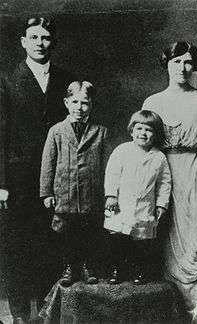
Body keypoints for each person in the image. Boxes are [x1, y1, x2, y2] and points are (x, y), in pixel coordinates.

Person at [0, 17, 73, 324]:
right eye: (34, 37)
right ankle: (19, 314)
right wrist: (1, 182)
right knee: (17, 245)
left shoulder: (65, 80)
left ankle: (46, 313)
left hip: (56, 176)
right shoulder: (6, 81)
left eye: (45, 37)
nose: (40, 43)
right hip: (18, 180)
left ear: (52, 42)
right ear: (23, 42)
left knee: (50, 243)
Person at [142, 41, 197, 323]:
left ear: (195, 66)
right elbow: (144, 148)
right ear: (166, 64)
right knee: (168, 244)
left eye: (188, 62)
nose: (182, 68)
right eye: (176, 62)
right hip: (164, 175)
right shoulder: (153, 102)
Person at [40, 81, 109, 286]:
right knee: (67, 233)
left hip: (91, 193)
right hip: (64, 193)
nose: (79, 107)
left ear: (92, 105)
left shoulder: (101, 132)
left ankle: (87, 267)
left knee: (89, 231)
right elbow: (48, 163)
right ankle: (69, 268)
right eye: (75, 102)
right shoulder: (56, 131)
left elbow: (108, 166)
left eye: (85, 103)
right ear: (66, 102)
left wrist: (109, 193)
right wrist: (46, 193)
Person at [104, 110, 171, 284]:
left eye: (148, 130)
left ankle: (138, 271)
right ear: (132, 131)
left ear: (155, 134)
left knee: (140, 244)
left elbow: (164, 183)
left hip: (144, 207)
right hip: (121, 205)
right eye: (139, 128)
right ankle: (116, 270)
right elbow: (112, 173)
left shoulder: (159, 157)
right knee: (118, 239)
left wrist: (161, 205)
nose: (143, 133)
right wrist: (111, 195)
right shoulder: (122, 150)